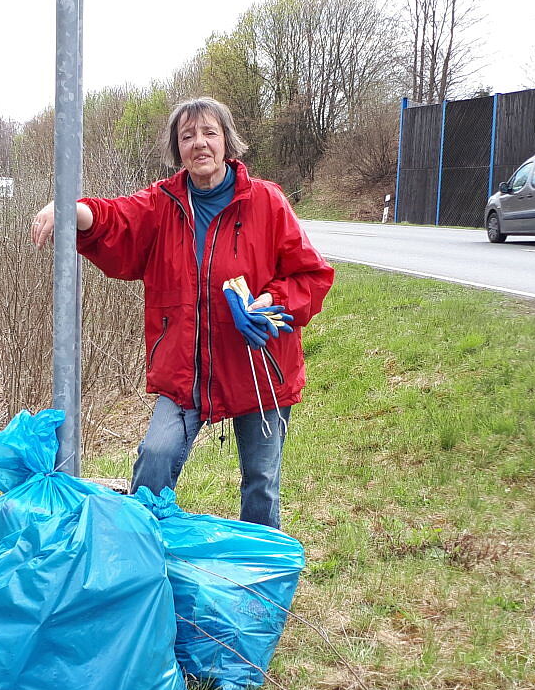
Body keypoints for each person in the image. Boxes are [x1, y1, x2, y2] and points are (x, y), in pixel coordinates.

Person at [30, 97, 334, 529]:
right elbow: (117, 220)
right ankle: (137, 561)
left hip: (258, 367)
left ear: (227, 140)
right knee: (154, 460)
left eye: (209, 132)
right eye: (187, 136)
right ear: (178, 148)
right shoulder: (163, 204)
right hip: (185, 372)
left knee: (261, 482)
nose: (199, 144)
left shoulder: (266, 202)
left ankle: (260, 584)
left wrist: (272, 302)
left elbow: (311, 275)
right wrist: (70, 209)